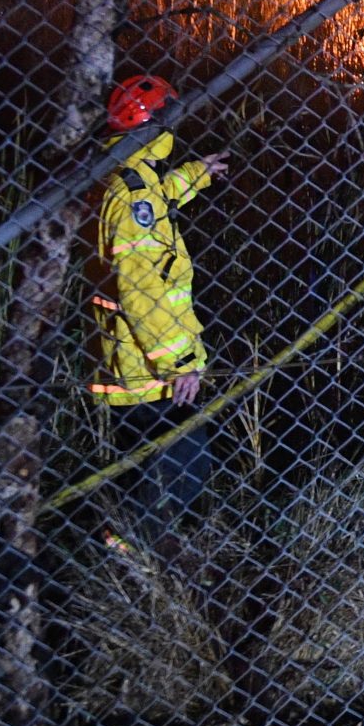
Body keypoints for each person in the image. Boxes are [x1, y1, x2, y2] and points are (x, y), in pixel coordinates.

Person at [92, 73, 229, 539]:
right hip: (153, 375)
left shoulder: (132, 176)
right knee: (177, 477)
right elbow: (140, 289)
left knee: (155, 476)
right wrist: (179, 363)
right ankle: (139, 559)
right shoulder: (131, 197)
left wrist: (197, 175)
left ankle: (133, 553)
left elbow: (160, 194)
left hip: (143, 368)